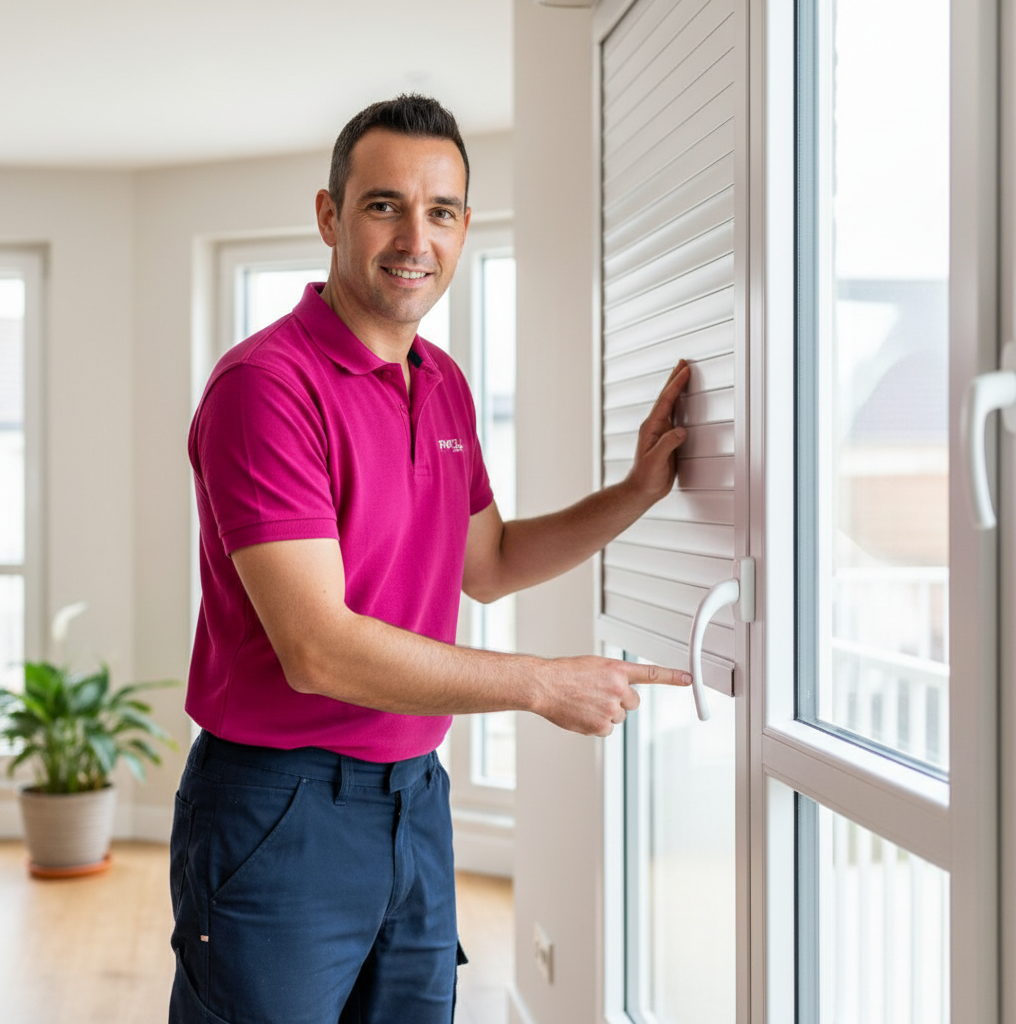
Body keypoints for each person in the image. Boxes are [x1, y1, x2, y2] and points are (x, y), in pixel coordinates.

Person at [169, 94, 692, 1024]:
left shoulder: (442, 383)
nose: (416, 236)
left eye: (442, 211)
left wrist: (634, 494)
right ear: (330, 215)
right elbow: (317, 650)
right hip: (279, 810)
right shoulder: (267, 388)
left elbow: (485, 562)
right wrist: (539, 683)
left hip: (415, 799)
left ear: (462, 226)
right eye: (384, 206)